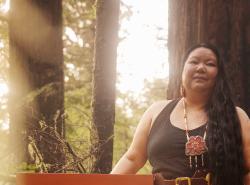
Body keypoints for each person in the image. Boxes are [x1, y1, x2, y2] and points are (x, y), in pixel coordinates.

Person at [111, 43, 250, 185]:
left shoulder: (237, 116)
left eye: (210, 64)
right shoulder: (156, 111)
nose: (201, 68)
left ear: (219, 74)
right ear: (181, 70)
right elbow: (132, 158)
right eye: (194, 61)